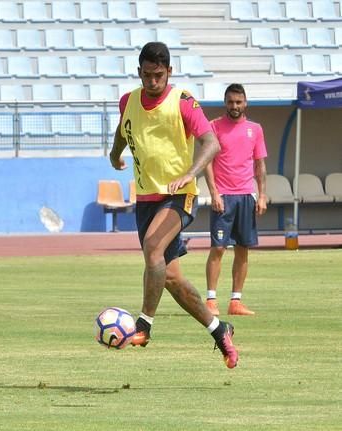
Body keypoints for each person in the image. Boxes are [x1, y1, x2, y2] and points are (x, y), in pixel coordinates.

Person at [109, 42, 238, 368]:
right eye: (147, 75)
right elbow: (123, 132)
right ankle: (220, 330)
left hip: (180, 195)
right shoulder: (128, 101)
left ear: (170, 72)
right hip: (146, 200)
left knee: (153, 247)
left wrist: (190, 175)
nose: (153, 81)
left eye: (159, 75)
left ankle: (144, 326)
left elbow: (211, 143)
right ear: (139, 72)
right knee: (171, 279)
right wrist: (114, 155)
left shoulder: (183, 102)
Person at [204, 84, 267, 316]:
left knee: (242, 250)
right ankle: (211, 300)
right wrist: (214, 193)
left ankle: (235, 302)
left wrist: (261, 195)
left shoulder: (255, 129)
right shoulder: (214, 127)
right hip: (224, 197)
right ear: (225, 103)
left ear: (245, 103)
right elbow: (207, 163)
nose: (234, 106)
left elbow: (260, 164)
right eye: (231, 102)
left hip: (246, 197)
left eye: (238, 102)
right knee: (218, 248)